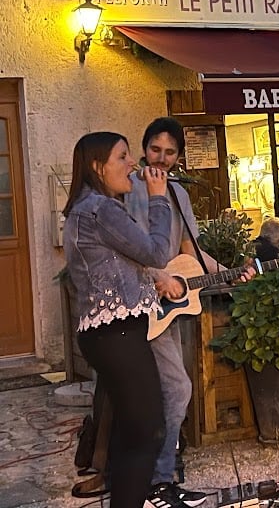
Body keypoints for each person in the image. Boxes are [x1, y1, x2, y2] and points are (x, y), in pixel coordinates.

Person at [126, 118, 240, 508]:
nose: (161, 158)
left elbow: (188, 248)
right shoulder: (128, 188)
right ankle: (158, 481)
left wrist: (227, 271)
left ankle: (164, 472)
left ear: (179, 156)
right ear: (144, 148)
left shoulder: (178, 192)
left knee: (172, 389)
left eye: (170, 152)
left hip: (168, 306)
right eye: (155, 150)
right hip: (138, 301)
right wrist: (158, 275)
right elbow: (128, 247)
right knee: (177, 388)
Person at [63, 132, 173, 508]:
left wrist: (156, 282)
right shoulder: (101, 209)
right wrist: (159, 199)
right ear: (98, 166)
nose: (133, 164)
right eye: (123, 156)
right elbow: (156, 251)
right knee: (148, 430)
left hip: (108, 334)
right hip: (118, 333)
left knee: (131, 431)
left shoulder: (85, 208)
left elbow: (121, 264)